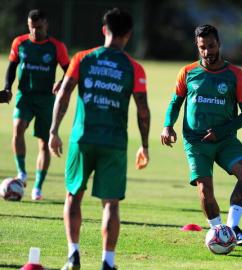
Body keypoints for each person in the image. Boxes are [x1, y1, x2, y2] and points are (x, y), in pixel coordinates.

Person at [48, 8, 150, 270]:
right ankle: (108, 262)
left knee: (73, 196)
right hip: (114, 143)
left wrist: (53, 130)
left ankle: (73, 256)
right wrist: (145, 144)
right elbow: (142, 109)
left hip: (82, 138)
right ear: (128, 34)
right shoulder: (134, 68)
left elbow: (64, 94)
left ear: (104, 30)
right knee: (111, 203)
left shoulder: (82, 58)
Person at [161, 24, 242, 246]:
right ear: (197, 46)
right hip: (196, 142)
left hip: (225, 140)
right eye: (202, 47)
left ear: (219, 44)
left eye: (211, 46)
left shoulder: (236, 75)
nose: (207, 52)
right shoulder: (188, 72)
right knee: (205, 190)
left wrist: (221, 132)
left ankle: (232, 229)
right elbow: (175, 102)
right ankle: (219, 234)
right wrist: (168, 125)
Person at [0, 9, 70, 201]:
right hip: (25, 96)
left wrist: (62, 82)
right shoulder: (19, 43)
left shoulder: (56, 47)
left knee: (44, 143)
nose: (35, 31)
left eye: (38, 27)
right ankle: (21, 173)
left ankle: (37, 188)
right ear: (28, 26)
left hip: (47, 100)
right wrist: (7, 88)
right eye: (32, 27)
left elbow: (70, 71)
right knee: (18, 127)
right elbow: (12, 68)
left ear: (46, 25)